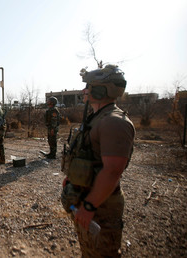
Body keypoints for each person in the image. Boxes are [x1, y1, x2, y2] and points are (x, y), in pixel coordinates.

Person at [61, 64, 135, 257]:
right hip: (87, 199)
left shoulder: (113, 122)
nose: (85, 91)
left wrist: (89, 206)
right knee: (89, 251)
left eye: (89, 87)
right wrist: (71, 180)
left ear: (103, 90)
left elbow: (112, 170)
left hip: (101, 207)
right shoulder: (97, 117)